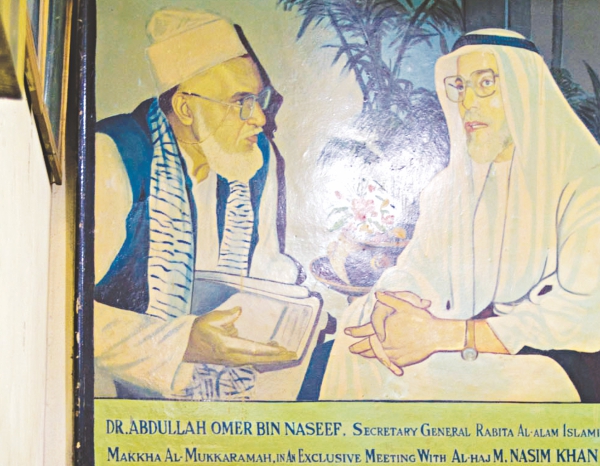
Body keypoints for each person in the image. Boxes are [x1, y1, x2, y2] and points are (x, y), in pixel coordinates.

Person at [321, 29, 600, 402]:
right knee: (361, 330)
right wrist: (393, 307)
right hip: (465, 338)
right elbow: (420, 267)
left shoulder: (586, 181)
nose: (467, 102)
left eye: (485, 84)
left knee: (409, 382)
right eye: (460, 86)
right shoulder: (452, 187)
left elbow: (584, 313)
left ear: (526, 92)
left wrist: (447, 335)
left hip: (560, 358)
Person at [94, 9, 301, 401]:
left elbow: (266, 272)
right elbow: (65, 311)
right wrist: (182, 343)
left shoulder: (258, 157)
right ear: (186, 108)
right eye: (241, 102)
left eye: (260, 99)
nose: (260, 118)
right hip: (122, 389)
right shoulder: (112, 153)